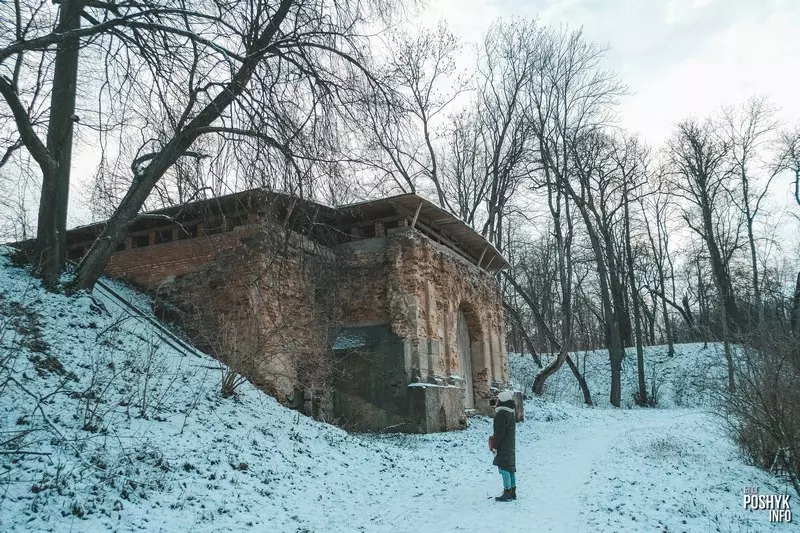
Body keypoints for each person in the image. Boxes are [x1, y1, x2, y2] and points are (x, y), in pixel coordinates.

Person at [491, 389, 516, 502]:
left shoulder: (501, 414)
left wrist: (495, 446)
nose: (496, 401)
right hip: (510, 444)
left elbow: (499, 432)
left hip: (503, 444)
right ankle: (512, 491)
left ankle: (507, 491)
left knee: (504, 468)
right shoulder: (510, 413)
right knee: (510, 467)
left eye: (498, 399)